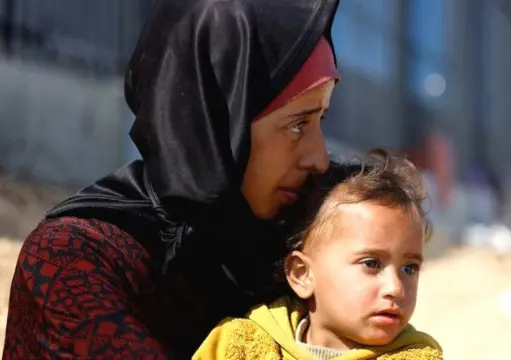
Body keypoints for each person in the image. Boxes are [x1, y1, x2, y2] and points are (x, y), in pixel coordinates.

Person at [2, 0, 341, 358]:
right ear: (216, 120)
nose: (319, 159)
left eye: (321, 120)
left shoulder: (308, 245)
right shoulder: (76, 259)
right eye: (296, 124)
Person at [193, 150, 443, 360]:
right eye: (372, 263)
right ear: (302, 275)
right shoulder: (240, 346)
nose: (396, 288)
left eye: (409, 268)